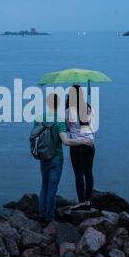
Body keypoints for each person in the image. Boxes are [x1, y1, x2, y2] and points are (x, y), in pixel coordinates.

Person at [34, 93, 93, 225]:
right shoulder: (59, 121)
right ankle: (49, 218)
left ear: (47, 103)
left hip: (43, 157)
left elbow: (35, 135)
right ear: (58, 104)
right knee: (52, 188)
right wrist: (83, 141)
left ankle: (41, 215)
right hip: (56, 158)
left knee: (44, 185)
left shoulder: (39, 118)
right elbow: (66, 141)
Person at [65, 85, 96, 209]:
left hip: (77, 145)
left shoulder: (68, 111)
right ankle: (88, 200)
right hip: (89, 143)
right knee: (88, 172)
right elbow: (93, 126)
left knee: (78, 174)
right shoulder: (89, 108)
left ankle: (82, 201)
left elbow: (68, 127)